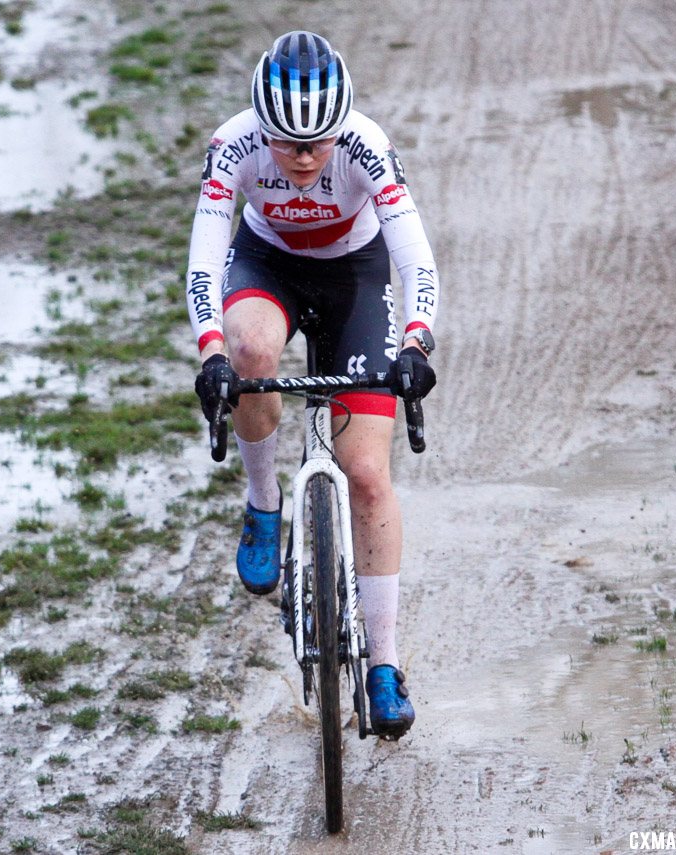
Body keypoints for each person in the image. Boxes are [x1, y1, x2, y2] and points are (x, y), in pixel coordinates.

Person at [187, 30, 439, 738]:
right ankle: (264, 502)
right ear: (261, 128)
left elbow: (414, 255)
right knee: (251, 350)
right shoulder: (232, 145)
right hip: (267, 266)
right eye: (286, 144)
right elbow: (205, 259)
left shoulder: (367, 145)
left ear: (342, 126)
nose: (301, 158)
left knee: (366, 474)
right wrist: (213, 355)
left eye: (317, 143)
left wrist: (417, 340)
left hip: (355, 279)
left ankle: (384, 666)